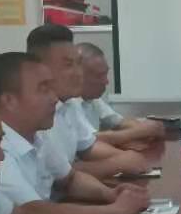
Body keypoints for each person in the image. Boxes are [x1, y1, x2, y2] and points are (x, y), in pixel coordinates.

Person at [0, 51, 151, 214]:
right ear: (9, 101)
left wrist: (109, 194)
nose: (54, 98)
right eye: (43, 89)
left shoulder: (38, 135)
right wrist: (115, 211)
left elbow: (70, 179)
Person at [27, 23, 150, 179]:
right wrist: (117, 163)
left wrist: (126, 157)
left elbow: (88, 146)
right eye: (68, 65)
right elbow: (60, 175)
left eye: (78, 63)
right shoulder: (35, 114)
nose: (78, 73)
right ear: (40, 69)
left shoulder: (69, 102)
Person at [76, 40, 166, 148]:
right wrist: (141, 131)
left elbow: (119, 122)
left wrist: (147, 129)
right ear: (78, 77)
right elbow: (90, 140)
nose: (106, 81)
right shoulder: (69, 104)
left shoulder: (93, 99)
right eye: (99, 76)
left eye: (106, 73)